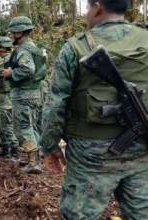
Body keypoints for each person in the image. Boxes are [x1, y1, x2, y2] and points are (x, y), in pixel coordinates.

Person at [40, 0, 148, 219]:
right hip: (143, 150)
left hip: (90, 155)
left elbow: (56, 103)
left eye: (88, 8)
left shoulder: (75, 46)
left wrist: (50, 146)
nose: (87, 14)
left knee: (80, 215)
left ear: (98, 7)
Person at [2, 16, 46, 174]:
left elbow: (28, 69)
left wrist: (10, 73)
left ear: (20, 32)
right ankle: (29, 158)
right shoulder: (35, 48)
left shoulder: (23, 50)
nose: (12, 36)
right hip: (35, 92)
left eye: (13, 32)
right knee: (31, 126)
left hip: (24, 93)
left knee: (23, 127)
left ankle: (34, 163)